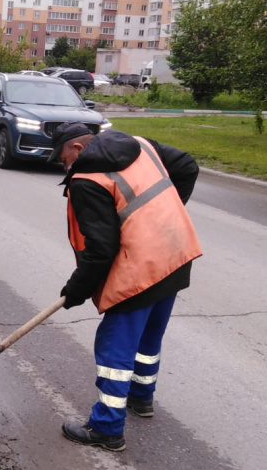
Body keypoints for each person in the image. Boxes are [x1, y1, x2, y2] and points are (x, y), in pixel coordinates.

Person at [50, 121, 202, 452]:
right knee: (149, 335)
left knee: (114, 347)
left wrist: (74, 291)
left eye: (61, 158)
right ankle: (141, 399)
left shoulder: (86, 182)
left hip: (138, 272)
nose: (63, 166)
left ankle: (106, 428)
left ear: (77, 148)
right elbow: (188, 167)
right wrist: (163, 219)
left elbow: (100, 251)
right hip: (175, 254)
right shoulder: (141, 145)